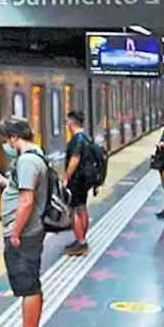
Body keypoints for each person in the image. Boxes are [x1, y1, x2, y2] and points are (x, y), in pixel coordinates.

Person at [0, 116, 47, 327]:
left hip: (25, 235)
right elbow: (21, 191)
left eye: (5, 140)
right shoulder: (34, 155)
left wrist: (14, 233)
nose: (5, 145)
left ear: (13, 137)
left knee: (28, 287)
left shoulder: (27, 161)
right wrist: (3, 182)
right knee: (29, 285)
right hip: (29, 232)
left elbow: (26, 200)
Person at [61, 110, 104, 256]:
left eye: (67, 121)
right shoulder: (86, 137)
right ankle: (81, 238)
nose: (66, 123)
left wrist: (66, 177)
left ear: (72, 122)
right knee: (81, 208)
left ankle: (81, 243)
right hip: (85, 179)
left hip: (77, 180)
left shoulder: (77, 139)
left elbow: (75, 159)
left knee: (73, 210)